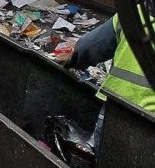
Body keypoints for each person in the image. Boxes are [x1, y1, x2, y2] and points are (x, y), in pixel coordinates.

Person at [63, 10, 155, 148]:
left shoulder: (132, 14)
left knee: (103, 164)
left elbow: (86, 48)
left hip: (115, 113)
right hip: (149, 124)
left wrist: (72, 62)